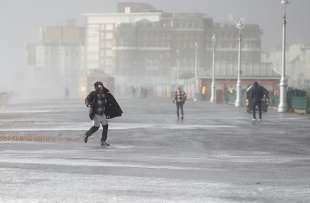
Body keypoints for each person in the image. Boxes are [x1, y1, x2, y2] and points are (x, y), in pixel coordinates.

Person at [84, 81, 123, 146]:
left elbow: (111, 101)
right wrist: (88, 104)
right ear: (96, 87)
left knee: (105, 126)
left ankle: (103, 141)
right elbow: (87, 99)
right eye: (98, 86)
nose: (100, 87)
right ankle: (87, 134)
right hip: (96, 113)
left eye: (101, 86)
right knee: (96, 127)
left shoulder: (106, 94)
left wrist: (113, 109)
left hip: (102, 113)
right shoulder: (93, 94)